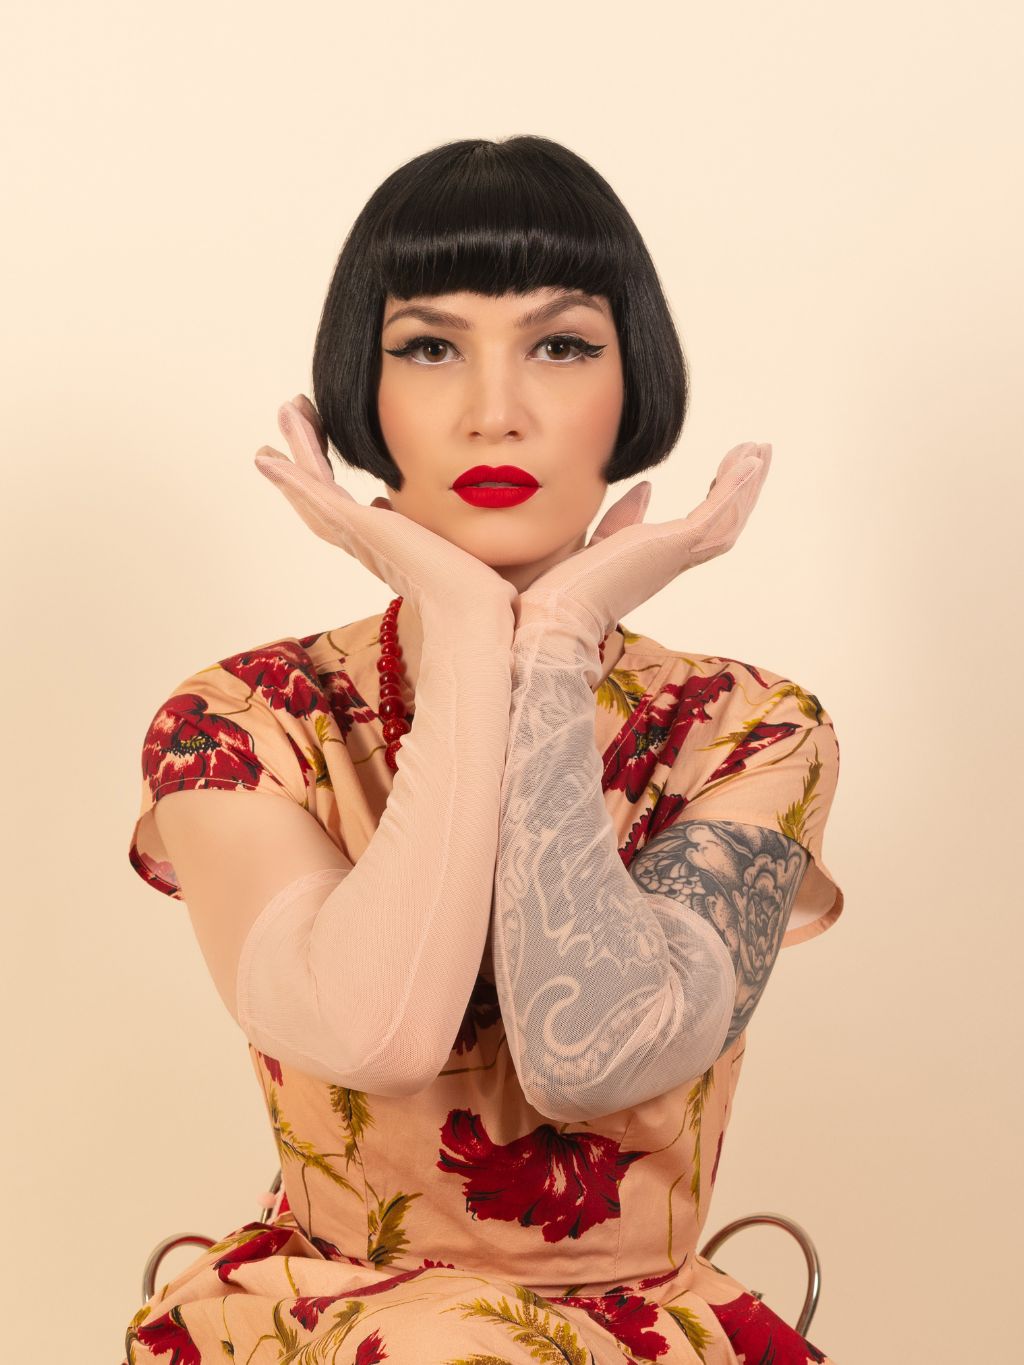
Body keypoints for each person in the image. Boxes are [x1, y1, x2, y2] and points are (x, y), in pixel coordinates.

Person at [124, 135, 843, 1365]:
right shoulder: (245, 717)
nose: (493, 410)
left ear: (635, 388)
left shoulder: (750, 726)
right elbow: (375, 1036)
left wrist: (554, 647)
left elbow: (586, 1062)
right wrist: (462, 630)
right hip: (321, 1327)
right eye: (429, 346)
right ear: (367, 388)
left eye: (561, 346)